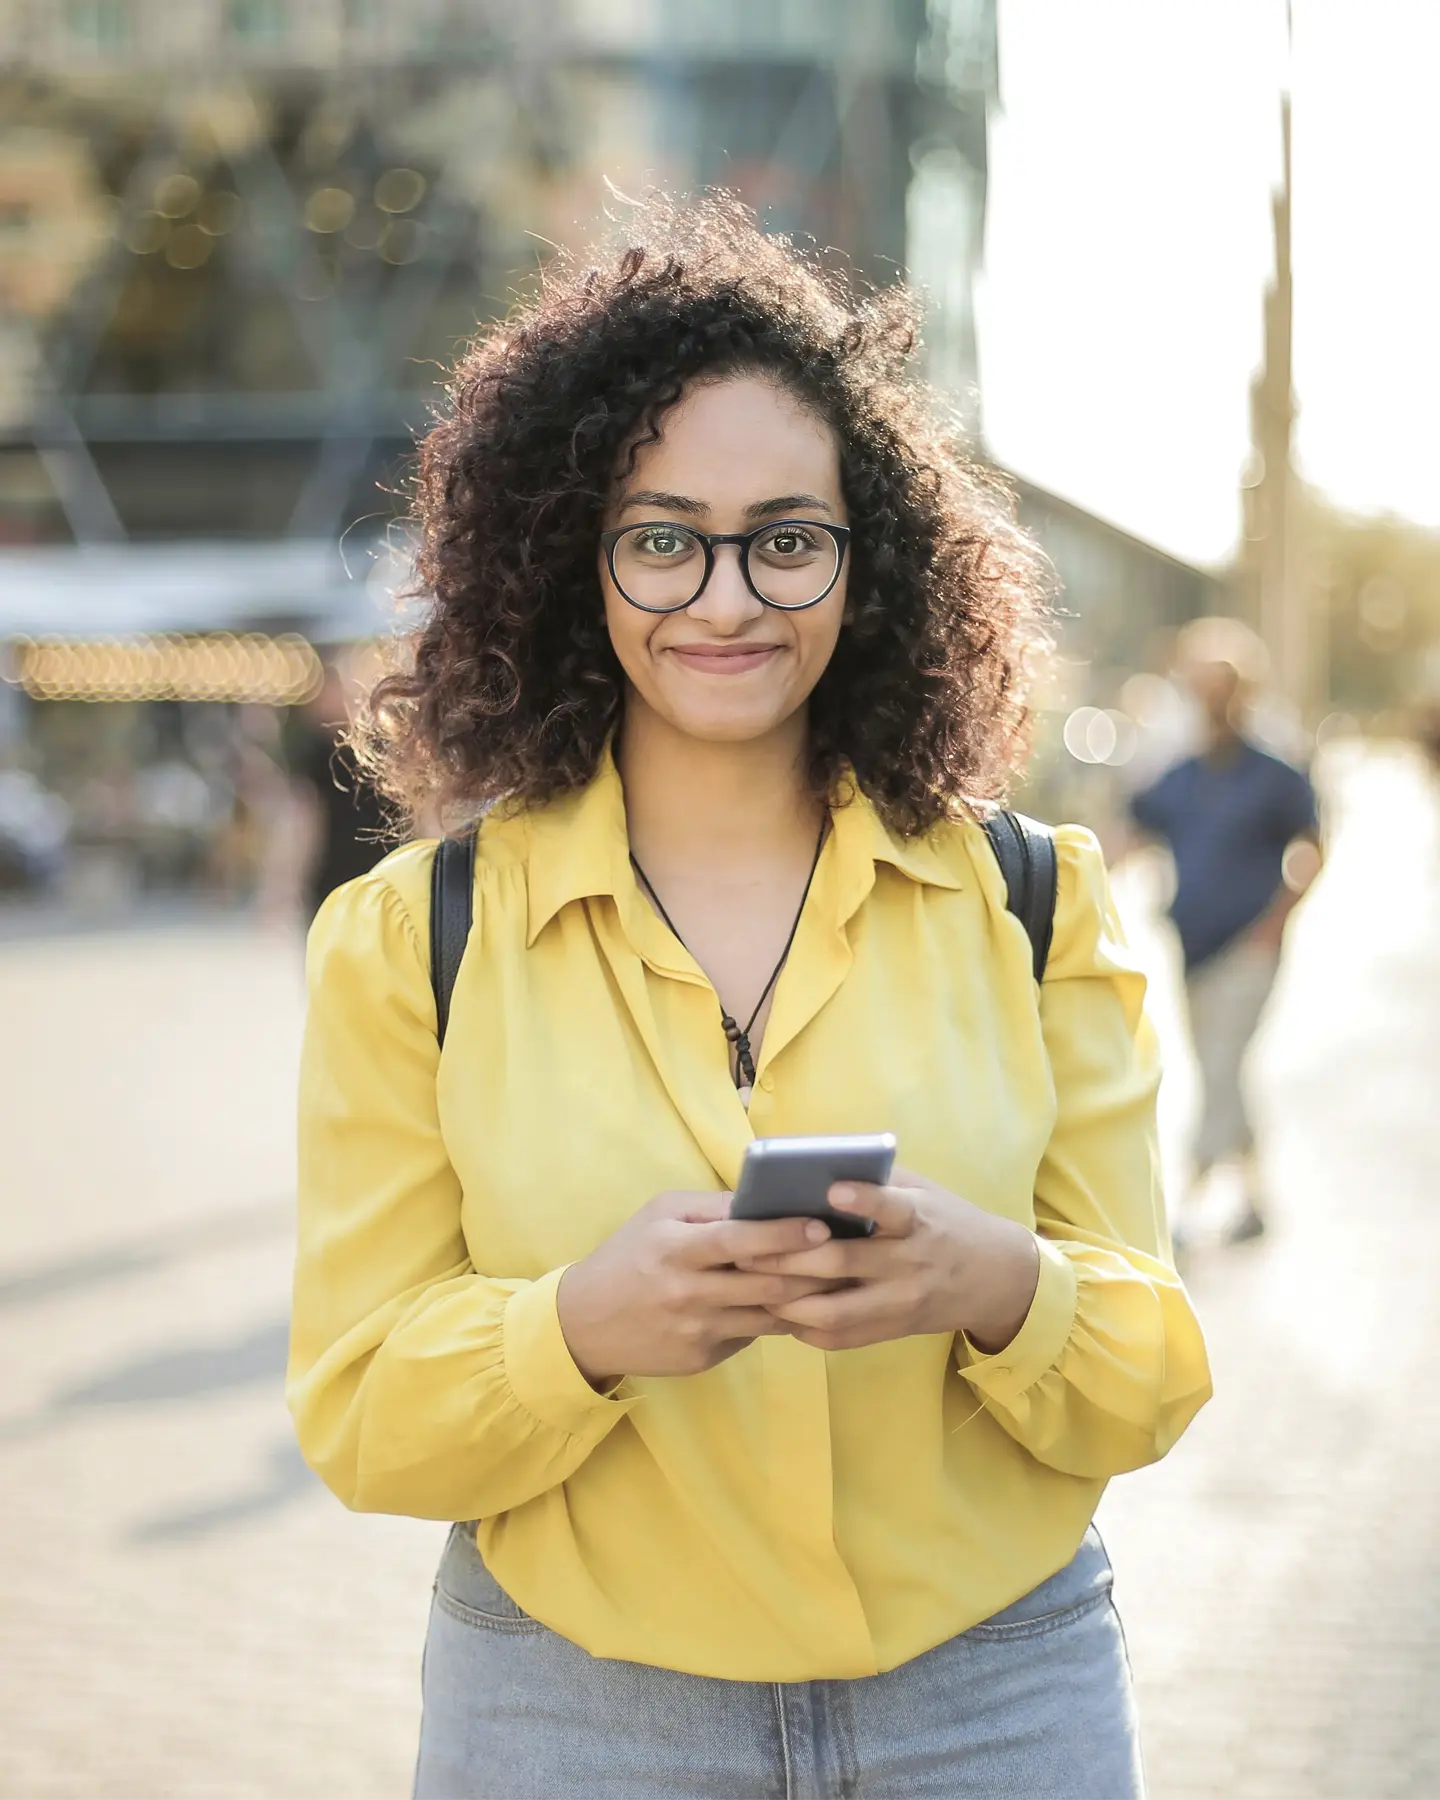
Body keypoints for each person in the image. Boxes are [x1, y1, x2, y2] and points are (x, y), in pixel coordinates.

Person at [288, 198, 1211, 1799]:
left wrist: (998, 1284)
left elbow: (1149, 1369)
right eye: (663, 538)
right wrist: (577, 1331)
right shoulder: (408, 940)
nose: (727, 600)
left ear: (870, 566)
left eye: (787, 537)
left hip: (997, 1695)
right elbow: (363, 1413)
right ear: (572, 561)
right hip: (569, 1714)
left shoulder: (1033, 900)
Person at [1130, 617, 1321, 1244]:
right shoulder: (1180, 773)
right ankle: (1256, 1199)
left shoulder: (1273, 773)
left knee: (1219, 1064)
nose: (1212, 699)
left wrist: (1277, 921)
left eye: (1224, 686)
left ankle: (1184, 1203)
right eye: (1200, 685)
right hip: (1193, 949)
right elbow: (1125, 832)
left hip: (1249, 949)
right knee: (1222, 1072)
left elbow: (1314, 844)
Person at [288, 655, 391, 920]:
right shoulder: (318, 752)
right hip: (355, 872)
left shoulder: (377, 746)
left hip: (376, 874)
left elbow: (305, 819)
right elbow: (307, 818)